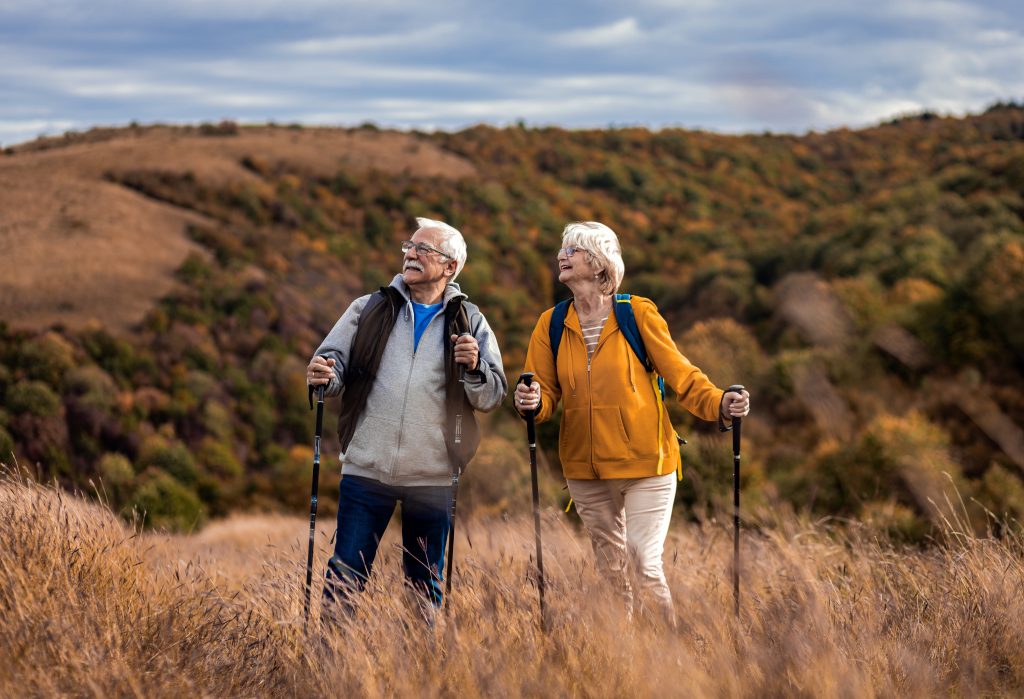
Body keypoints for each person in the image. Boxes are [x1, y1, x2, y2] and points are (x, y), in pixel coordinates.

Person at [514, 221, 750, 625]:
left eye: (573, 249)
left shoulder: (637, 313)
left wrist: (720, 405)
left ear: (600, 261)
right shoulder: (550, 324)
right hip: (585, 471)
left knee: (643, 560)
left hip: (647, 463)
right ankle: (625, 663)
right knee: (610, 573)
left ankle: (667, 657)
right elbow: (545, 395)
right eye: (561, 250)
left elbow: (682, 375)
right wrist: (532, 403)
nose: (562, 256)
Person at [307, 217, 507, 617]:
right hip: (367, 466)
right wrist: (323, 375)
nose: (411, 254)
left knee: (423, 589)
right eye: (409, 247)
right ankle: (325, 669)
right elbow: (332, 366)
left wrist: (474, 368)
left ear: (450, 267)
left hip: (433, 474)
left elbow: (491, 396)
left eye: (424, 250)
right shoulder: (368, 308)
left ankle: (420, 672)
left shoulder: (469, 320)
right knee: (344, 578)